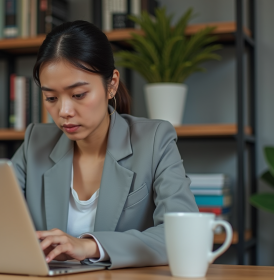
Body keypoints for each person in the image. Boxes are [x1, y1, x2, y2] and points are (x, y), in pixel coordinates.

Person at [11, 20, 198, 269]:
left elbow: (183, 235)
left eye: (78, 95)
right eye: (51, 98)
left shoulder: (154, 140)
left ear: (111, 85)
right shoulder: (36, 141)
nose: (64, 111)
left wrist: (89, 246)